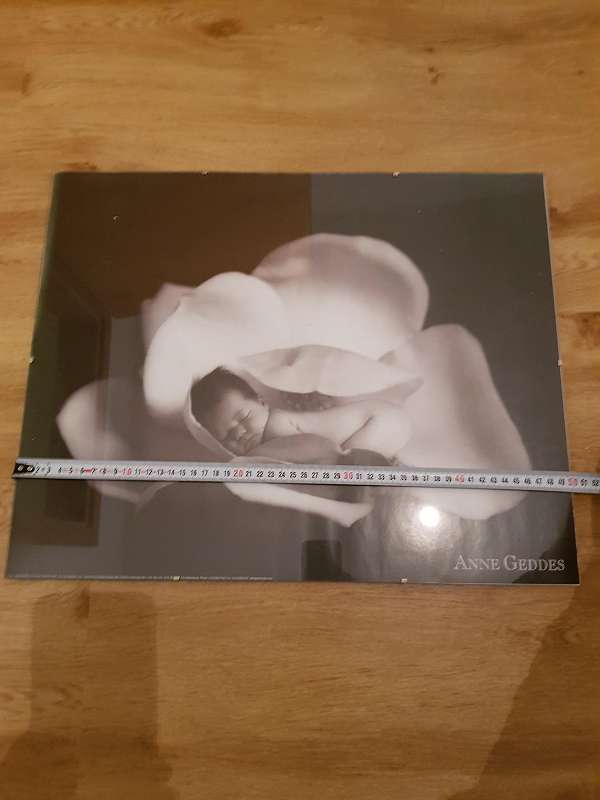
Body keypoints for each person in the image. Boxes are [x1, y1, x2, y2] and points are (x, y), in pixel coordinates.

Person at [189, 367, 412, 460]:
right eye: (227, 436)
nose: (239, 433)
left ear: (262, 402)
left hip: (377, 421)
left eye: (244, 418)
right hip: (379, 421)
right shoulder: (268, 440)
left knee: (350, 473)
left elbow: (316, 451)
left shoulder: (277, 425)